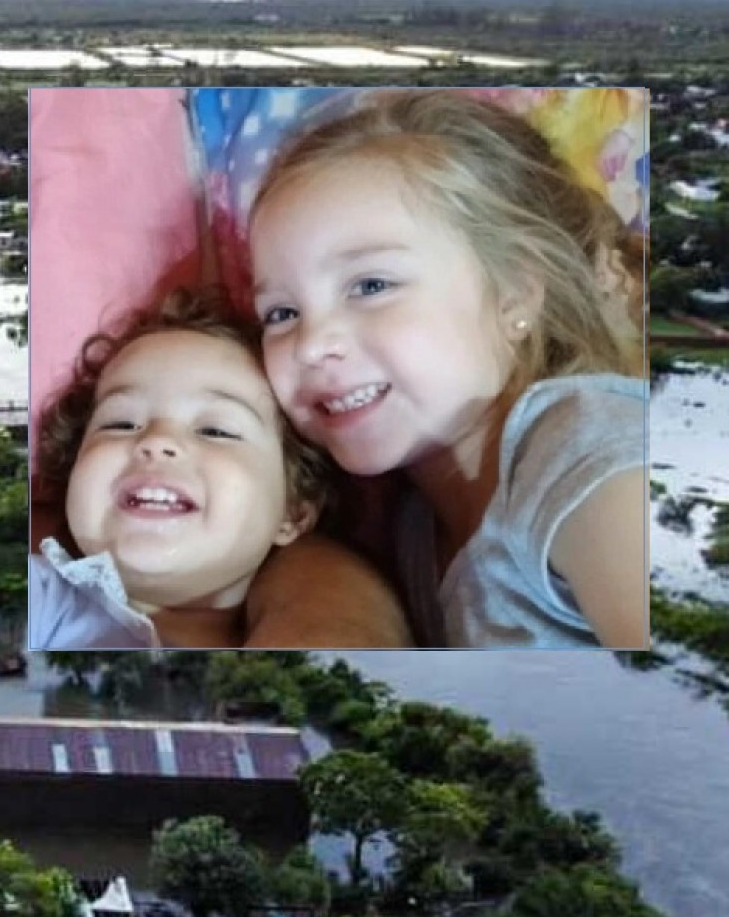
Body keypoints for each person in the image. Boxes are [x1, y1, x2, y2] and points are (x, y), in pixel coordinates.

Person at [249, 90, 648, 648]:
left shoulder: (586, 452)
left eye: (370, 286)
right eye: (281, 313)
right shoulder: (415, 531)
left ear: (514, 294)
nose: (312, 345)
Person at [28, 287, 334, 649]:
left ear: (293, 509)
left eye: (215, 431)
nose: (156, 441)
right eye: (120, 423)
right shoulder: (40, 598)